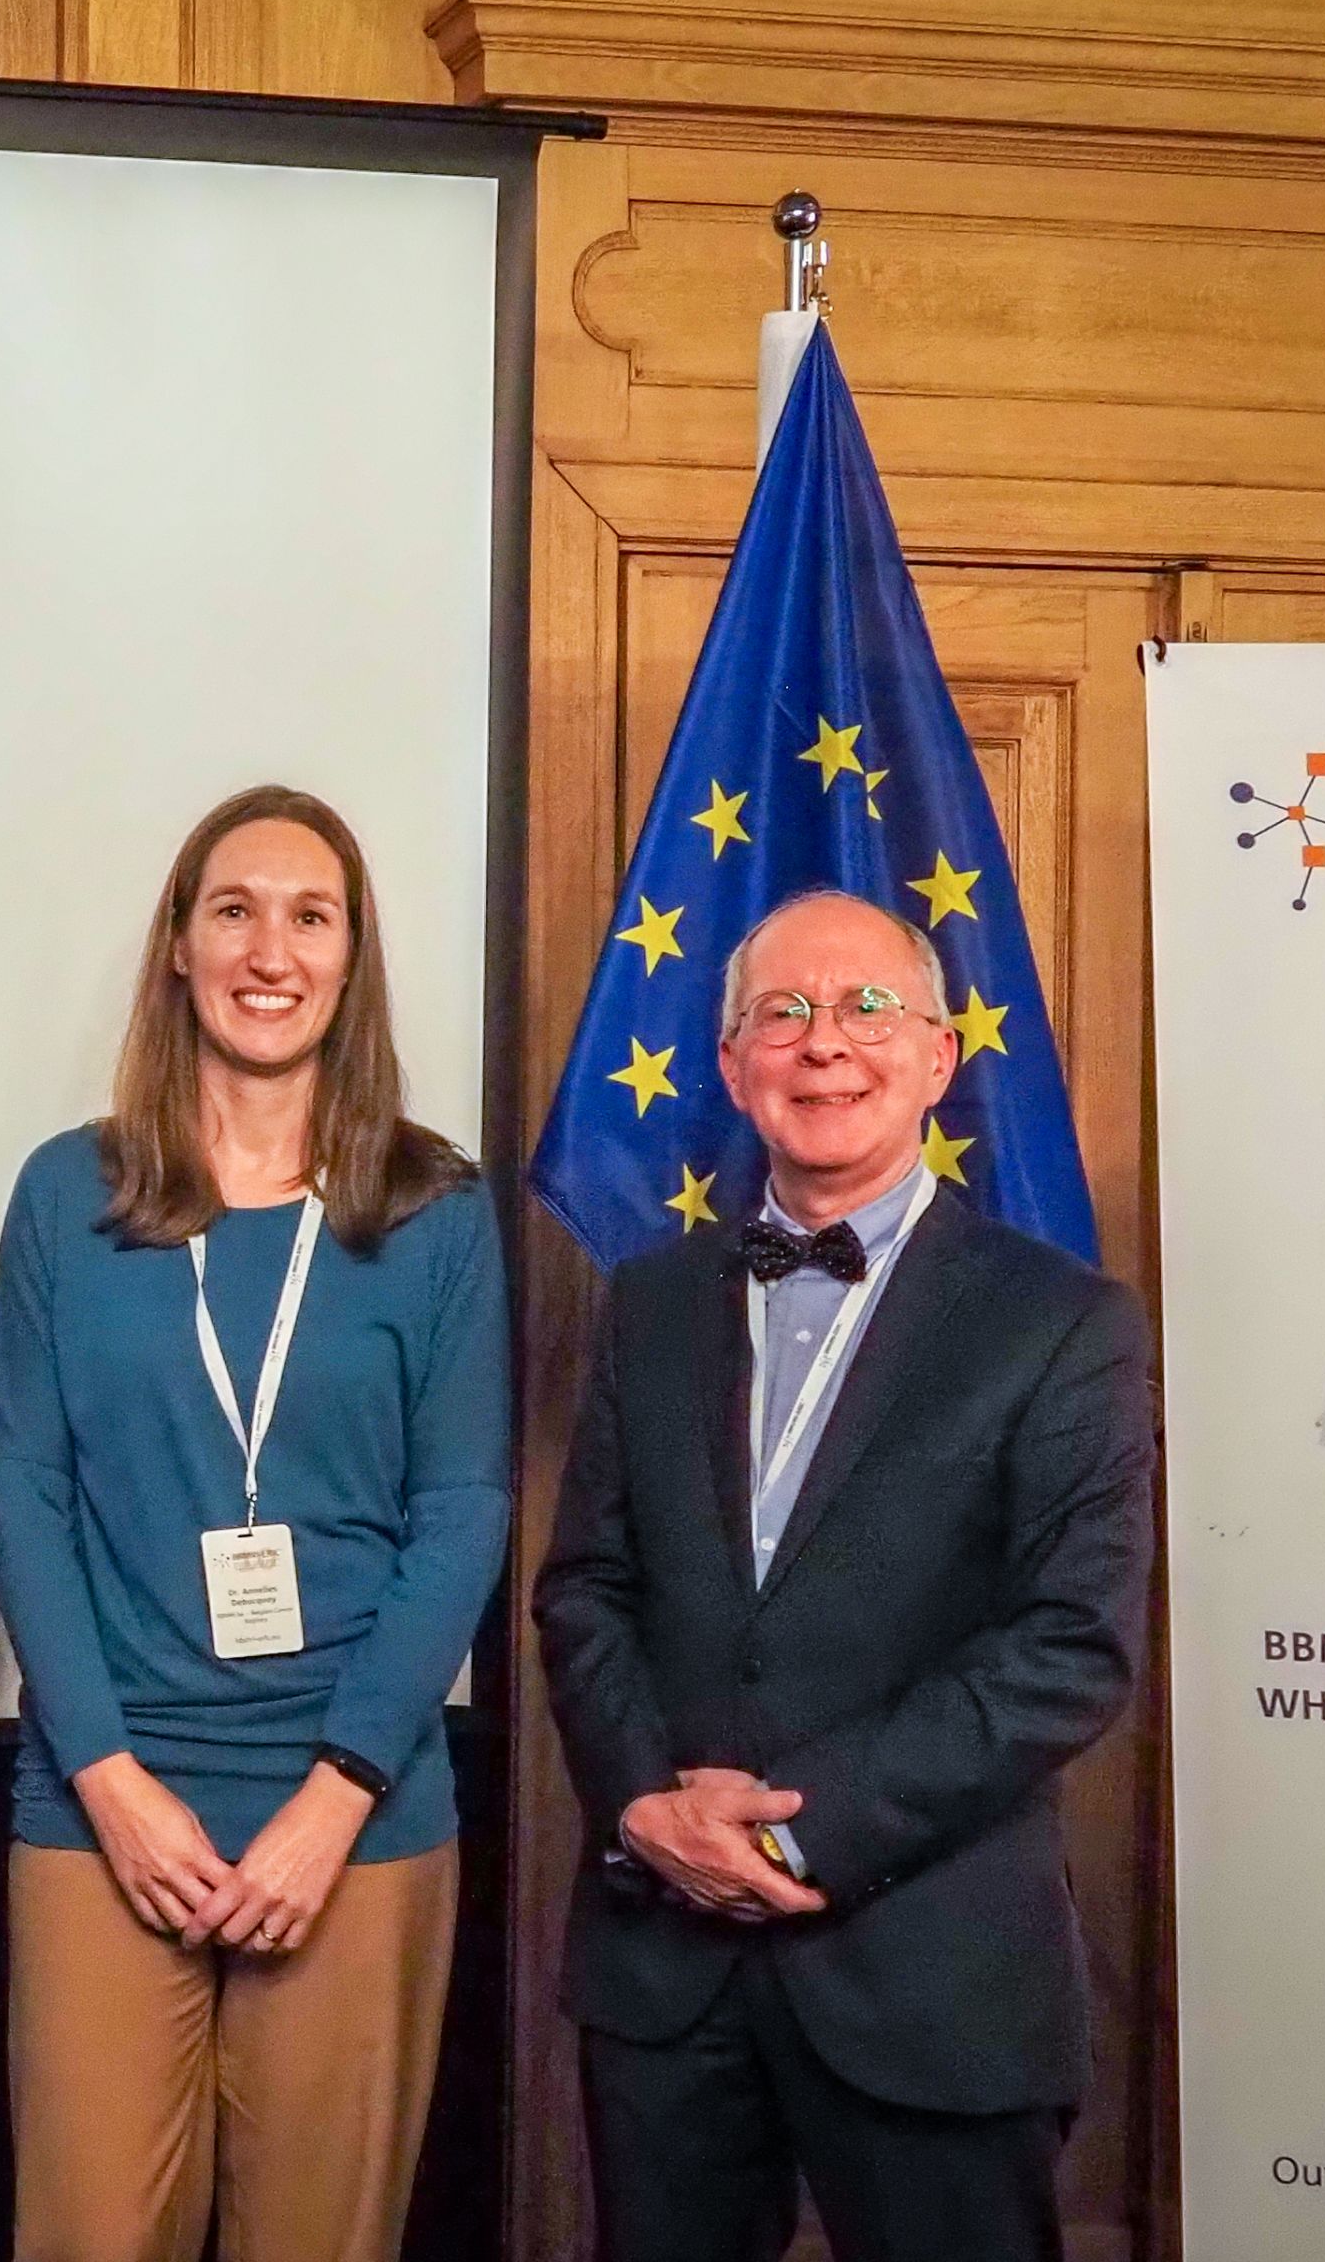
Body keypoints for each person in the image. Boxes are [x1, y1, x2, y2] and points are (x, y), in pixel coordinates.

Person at [534, 887, 1152, 2262]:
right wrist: (644, 1806)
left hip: (930, 1975)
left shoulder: (1062, 1323)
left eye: (870, 1006)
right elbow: (585, 1589)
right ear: (735, 1064)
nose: (827, 1042)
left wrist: (792, 1836)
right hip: (664, 1973)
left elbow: (1071, 1647)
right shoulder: (649, 1303)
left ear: (939, 1057)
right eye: (784, 1013)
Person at [0, 784, 508, 2262]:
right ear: (178, 949)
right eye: (235, 909)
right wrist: (113, 1781)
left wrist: (334, 1795)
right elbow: (22, 1491)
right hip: (105, 1809)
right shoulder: (65, 1194)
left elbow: (464, 1510)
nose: (271, 949)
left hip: (358, 1818)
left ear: (351, 960)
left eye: (310, 914)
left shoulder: (433, 1206)